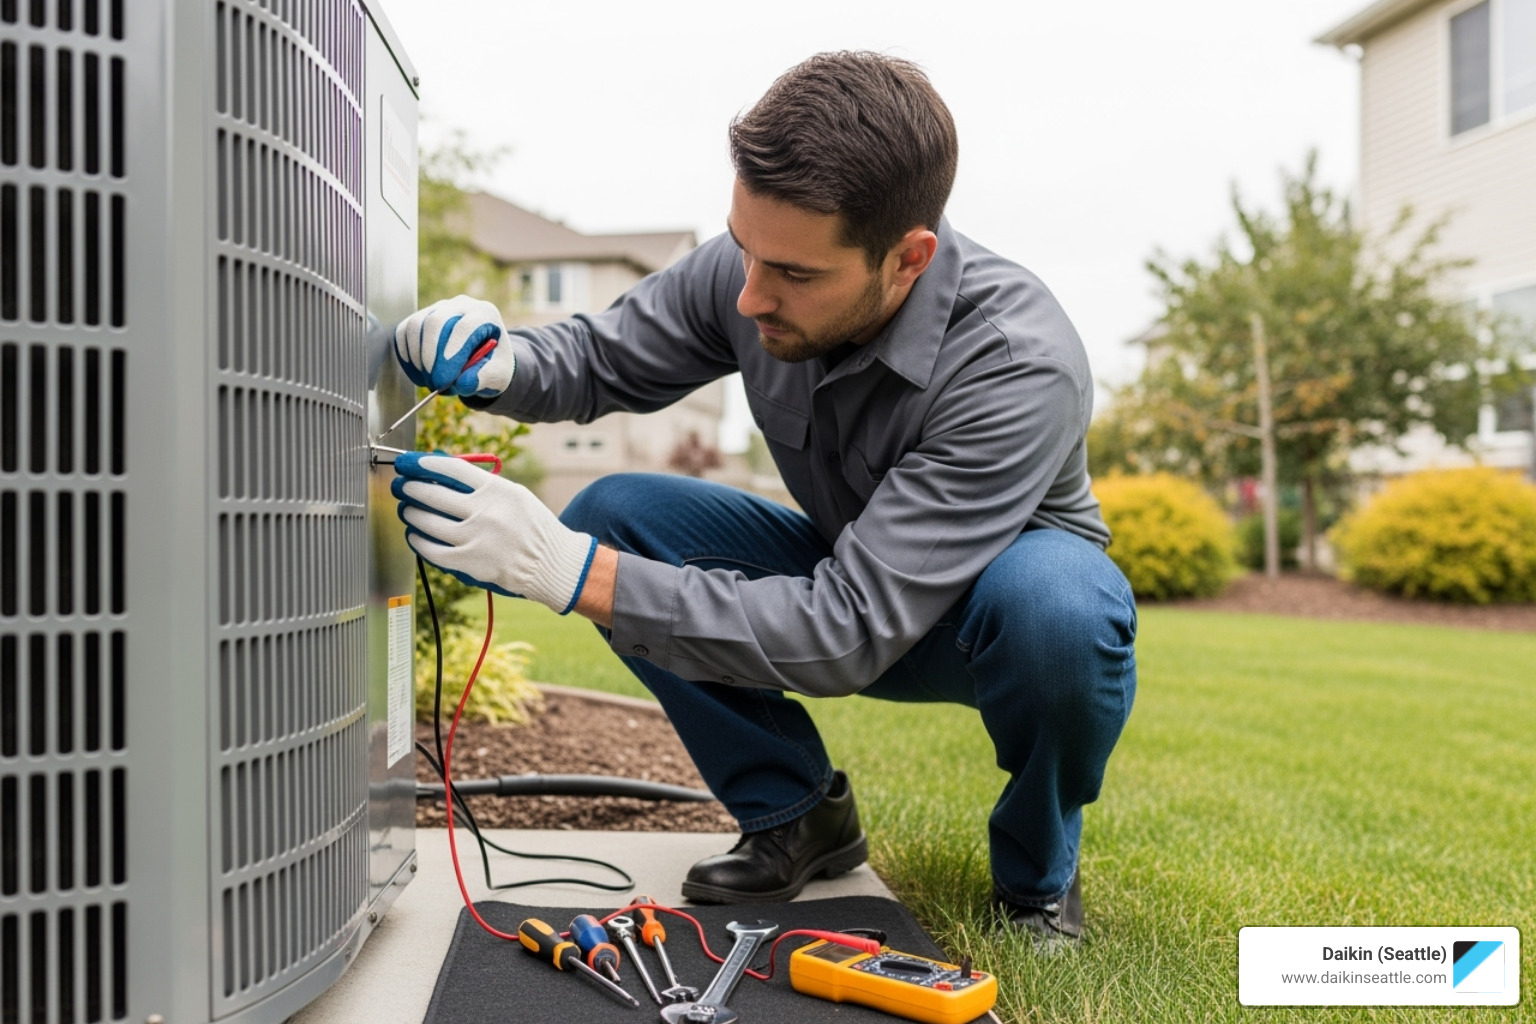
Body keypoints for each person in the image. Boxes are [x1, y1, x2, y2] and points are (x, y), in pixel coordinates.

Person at [391, 51, 1136, 945]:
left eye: (794, 275)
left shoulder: (1016, 364)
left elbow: (847, 631)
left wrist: (570, 573)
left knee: (1062, 607)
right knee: (620, 514)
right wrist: (499, 358)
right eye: (744, 250)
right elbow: (602, 356)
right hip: (853, 573)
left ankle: (1038, 876)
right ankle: (794, 812)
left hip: (987, 623)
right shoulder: (761, 264)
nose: (749, 295)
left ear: (909, 259)